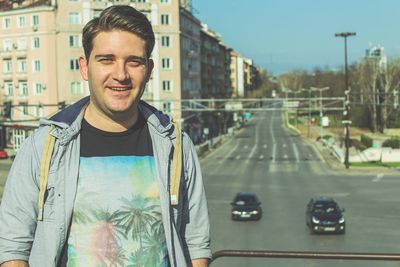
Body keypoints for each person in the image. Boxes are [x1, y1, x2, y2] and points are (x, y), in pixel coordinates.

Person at [0, 5, 211, 267]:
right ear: (85, 67)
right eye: (106, 60)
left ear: (149, 69)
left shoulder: (177, 145)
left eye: (133, 61)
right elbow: (12, 246)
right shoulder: (43, 146)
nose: (120, 75)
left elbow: (196, 243)